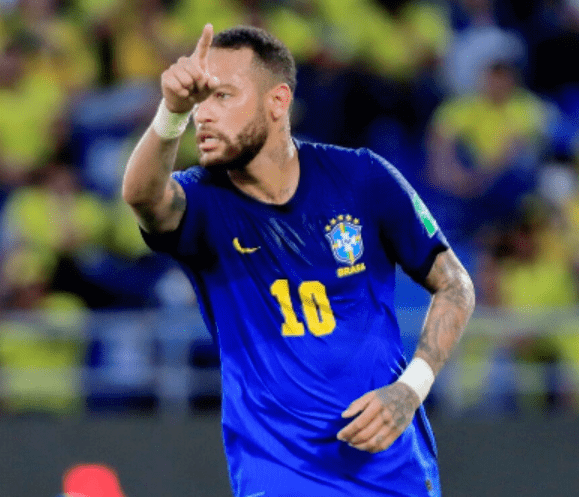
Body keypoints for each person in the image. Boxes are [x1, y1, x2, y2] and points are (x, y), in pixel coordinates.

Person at [122, 24, 475, 497]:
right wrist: (171, 112)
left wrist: (411, 388)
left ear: (277, 101)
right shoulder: (204, 202)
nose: (203, 114)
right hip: (279, 473)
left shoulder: (361, 178)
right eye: (199, 100)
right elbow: (143, 197)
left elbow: (455, 284)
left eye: (222, 96)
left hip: (391, 471)